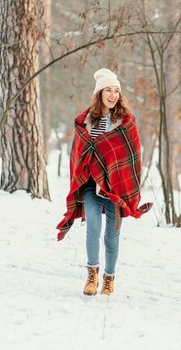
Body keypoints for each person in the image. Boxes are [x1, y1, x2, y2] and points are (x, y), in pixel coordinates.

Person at [56, 68, 152, 296]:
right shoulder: (85, 121)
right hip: (90, 185)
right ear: (99, 93)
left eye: (116, 91)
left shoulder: (125, 122)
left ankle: (109, 278)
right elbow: (79, 155)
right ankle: (92, 275)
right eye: (108, 90)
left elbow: (131, 157)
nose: (113, 95)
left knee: (112, 236)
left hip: (116, 188)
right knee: (93, 228)